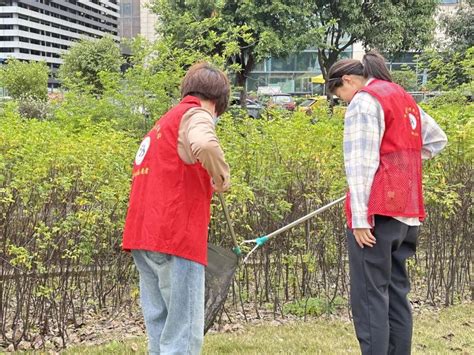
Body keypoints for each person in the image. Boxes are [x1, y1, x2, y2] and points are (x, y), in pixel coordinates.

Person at [327, 51, 447, 355]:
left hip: (376, 217)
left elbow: (360, 163)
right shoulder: (402, 96)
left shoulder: (365, 101)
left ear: (348, 80)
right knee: (395, 294)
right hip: (405, 214)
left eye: (340, 94)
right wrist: (397, 170)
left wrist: (359, 219)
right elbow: (436, 139)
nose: (343, 101)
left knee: (369, 298)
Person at [122, 62, 231, 355]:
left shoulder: (162, 123)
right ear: (217, 101)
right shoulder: (196, 114)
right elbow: (205, 145)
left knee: (160, 325)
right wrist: (220, 177)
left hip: (143, 237)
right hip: (175, 237)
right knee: (182, 332)